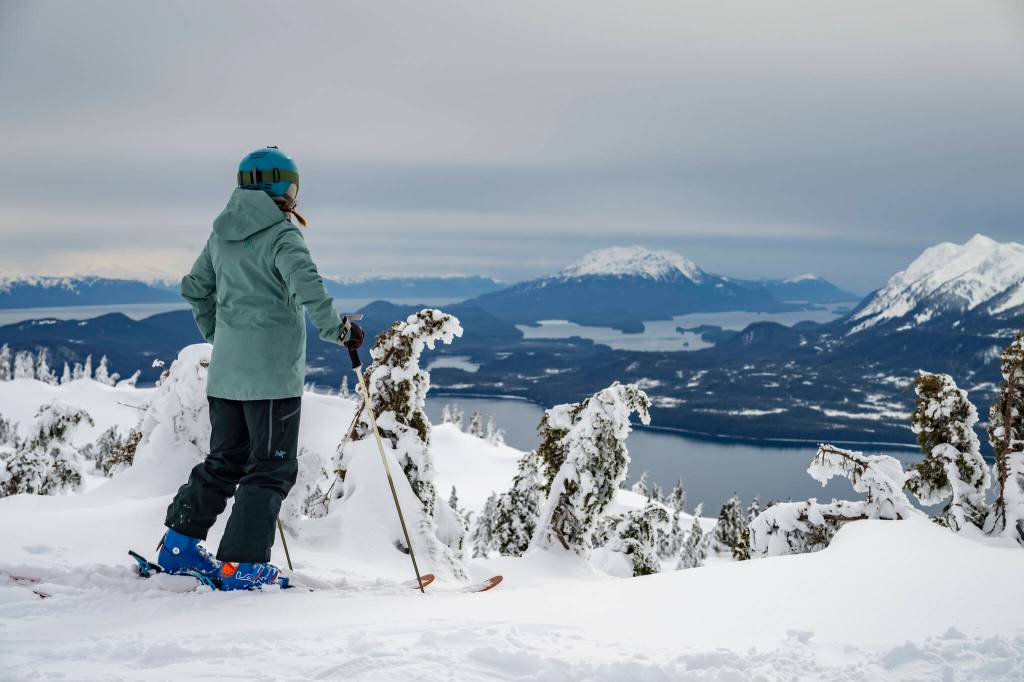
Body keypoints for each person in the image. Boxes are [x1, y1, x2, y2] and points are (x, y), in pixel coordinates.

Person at [156, 146, 364, 590]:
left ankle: (178, 546)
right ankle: (243, 565)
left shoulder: (221, 235)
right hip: (271, 378)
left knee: (224, 460)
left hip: (228, 374)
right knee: (270, 467)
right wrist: (341, 331)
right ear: (286, 187)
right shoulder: (282, 236)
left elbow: (195, 289)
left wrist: (221, 337)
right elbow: (309, 290)